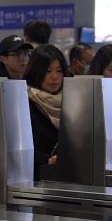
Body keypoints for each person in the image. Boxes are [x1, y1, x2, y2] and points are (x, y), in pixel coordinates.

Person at [26, 45, 67, 180]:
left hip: (66, 177)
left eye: (59, 71)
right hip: (33, 178)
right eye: (48, 71)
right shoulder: (24, 100)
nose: (54, 77)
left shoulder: (71, 99)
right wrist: (46, 160)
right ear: (36, 71)